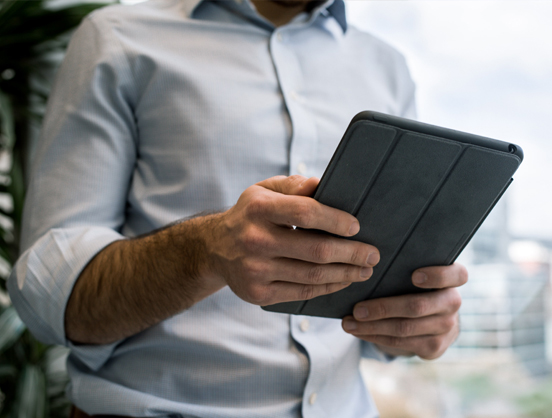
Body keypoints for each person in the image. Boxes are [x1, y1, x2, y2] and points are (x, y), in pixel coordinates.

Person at [8, 0, 467, 417]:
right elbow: (51, 299)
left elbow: (383, 288)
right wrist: (205, 251)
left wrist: (420, 318)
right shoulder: (118, 37)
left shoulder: (387, 67)